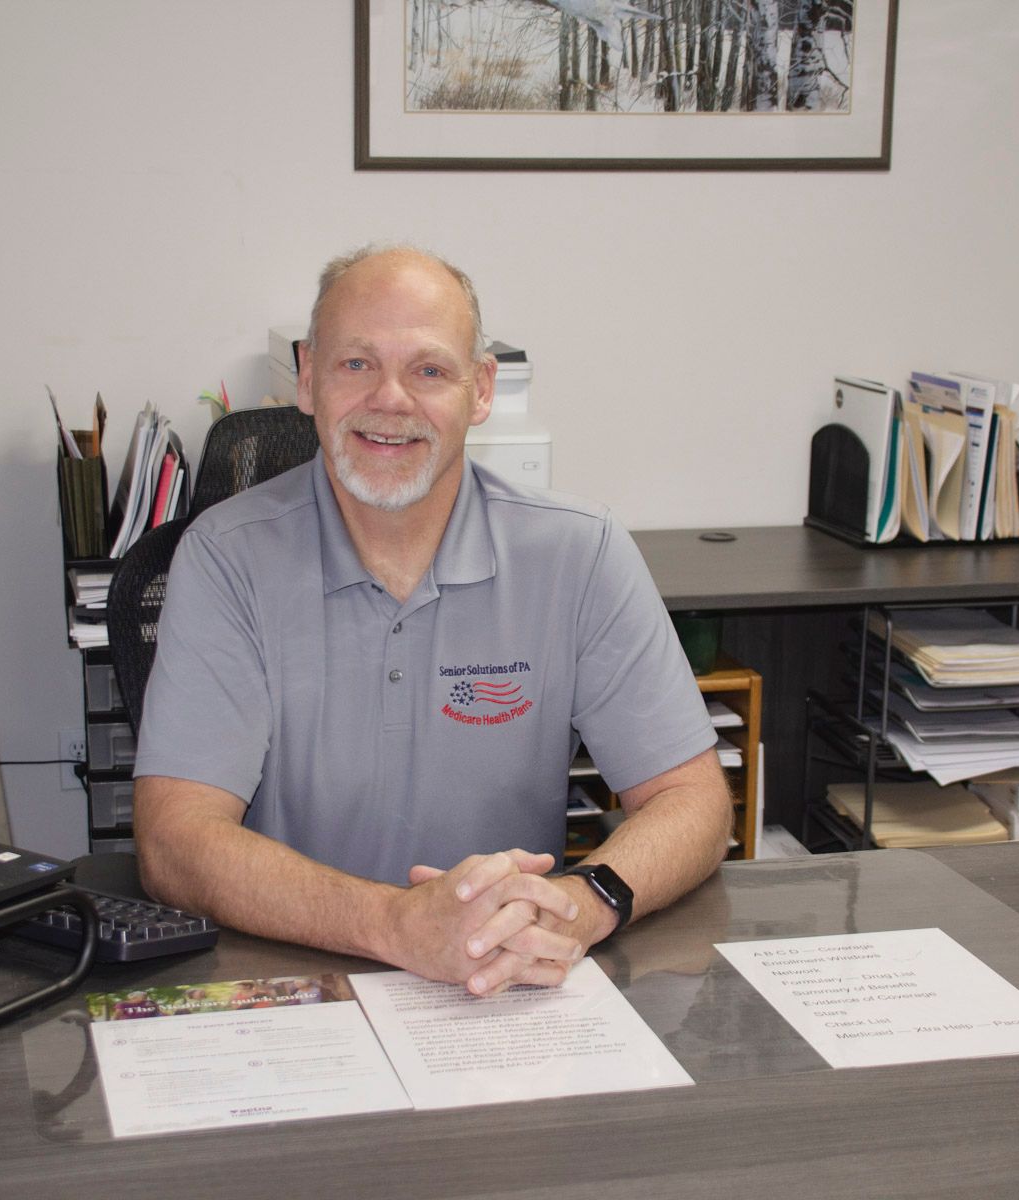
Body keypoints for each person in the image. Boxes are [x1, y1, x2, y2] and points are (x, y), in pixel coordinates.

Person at [132, 244, 732, 997]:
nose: (390, 400)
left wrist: (582, 905)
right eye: (356, 364)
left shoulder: (580, 552)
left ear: (479, 391)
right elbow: (173, 843)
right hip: (289, 984)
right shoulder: (225, 559)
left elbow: (695, 802)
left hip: (504, 990)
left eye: (429, 370)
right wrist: (396, 925)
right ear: (307, 376)